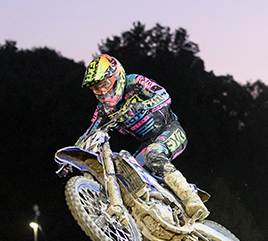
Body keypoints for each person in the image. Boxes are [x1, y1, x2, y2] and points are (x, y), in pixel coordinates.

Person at [77, 54, 208, 218]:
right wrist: (71, 156)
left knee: (153, 155)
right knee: (126, 174)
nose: (102, 91)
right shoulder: (103, 110)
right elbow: (89, 132)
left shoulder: (135, 82)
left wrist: (141, 105)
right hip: (147, 143)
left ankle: (191, 200)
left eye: (105, 84)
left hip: (170, 129)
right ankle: (152, 214)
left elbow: (164, 96)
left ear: (117, 77)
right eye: (96, 88)